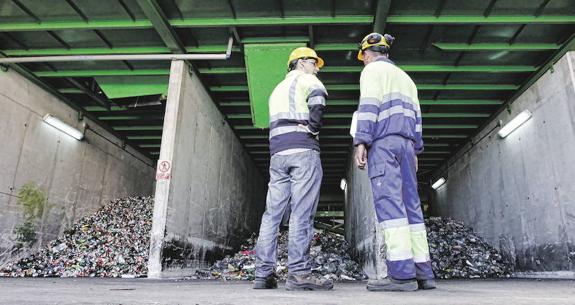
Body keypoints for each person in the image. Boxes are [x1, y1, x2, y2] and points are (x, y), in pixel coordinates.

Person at [353, 33, 436, 291]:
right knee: (412, 206)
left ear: (367, 54)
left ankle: (401, 275)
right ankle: (423, 272)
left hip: (384, 144)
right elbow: (417, 117)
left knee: (390, 205)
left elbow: (369, 106)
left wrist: (361, 141)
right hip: (407, 146)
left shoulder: (371, 72)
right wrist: (416, 150)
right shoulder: (406, 78)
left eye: (363, 57)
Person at [253, 47, 333, 291]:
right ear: (301, 63)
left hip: (277, 155)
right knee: (301, 213)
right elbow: (319, 101)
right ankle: (299, 273)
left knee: (272, 215)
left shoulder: (276, 90)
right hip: (302, 151)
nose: (317, 68)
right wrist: (313, 129)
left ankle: (263, 274)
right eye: (314, 62)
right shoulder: (308, 79)